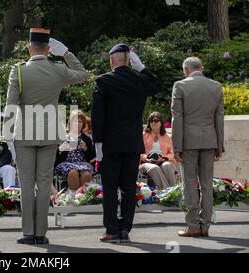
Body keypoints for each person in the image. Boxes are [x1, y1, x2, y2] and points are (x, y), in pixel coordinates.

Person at [4, 28, 88, 245]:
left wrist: (7, 134)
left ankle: (28, 232)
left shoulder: (19, 71)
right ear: (49, 49)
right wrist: (66, 53)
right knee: (43, 183)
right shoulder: (58, 68)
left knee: (26, 182)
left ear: (29, 48)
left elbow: (11, 105)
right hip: (50, 132)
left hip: (24, 133)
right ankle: (41, 233)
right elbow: (82, 74)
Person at [91, 43, 161, 243]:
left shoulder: (103, 81)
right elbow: (156, 86)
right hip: (131, 144)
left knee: (110, 188)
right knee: (129, 188)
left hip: (110, 145)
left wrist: (98, 143)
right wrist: (142, 68)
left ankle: (112, 229)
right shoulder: (139, 80)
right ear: (129, 61)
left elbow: (98, 115)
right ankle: (125, 229)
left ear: (112, 60)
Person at [172, 57, 225, 238]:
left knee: (189, 183)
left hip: (189, 142)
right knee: (207, 185)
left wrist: (177, 146)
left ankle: (193, 226)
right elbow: (219, 118)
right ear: (201, 68)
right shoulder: (216, 86)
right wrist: (220, 145)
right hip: (210, 140)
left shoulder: (180, 86)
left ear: (186, 70)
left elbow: (177, 118)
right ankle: (206, 226)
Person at [54, 110, 95, 194]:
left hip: (82, 163)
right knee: (73, 173)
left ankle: (84, 197)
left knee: (86, 174)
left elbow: (92, 157)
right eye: (75, 121)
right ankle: (74, 198)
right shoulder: (63, 137)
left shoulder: (86, 138)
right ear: (70, 123)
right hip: (66, 163)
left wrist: (86, 149)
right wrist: (62, 148)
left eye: (80, 121)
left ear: (83, 124)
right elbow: (55, 155)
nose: (77, 123)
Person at [139, 112, 177, 190]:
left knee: (167, 166)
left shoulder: (168, 137)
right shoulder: (143, 135)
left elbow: (172, 153)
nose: (153, 123)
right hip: (146, 162)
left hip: (165, 160)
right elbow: (138, 152)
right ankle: (169, 194)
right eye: (151, 121)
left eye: (156, 121)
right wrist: (146, 159)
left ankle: (171, 193)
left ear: (161, 122)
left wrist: (164, 158)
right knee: (154, 168)